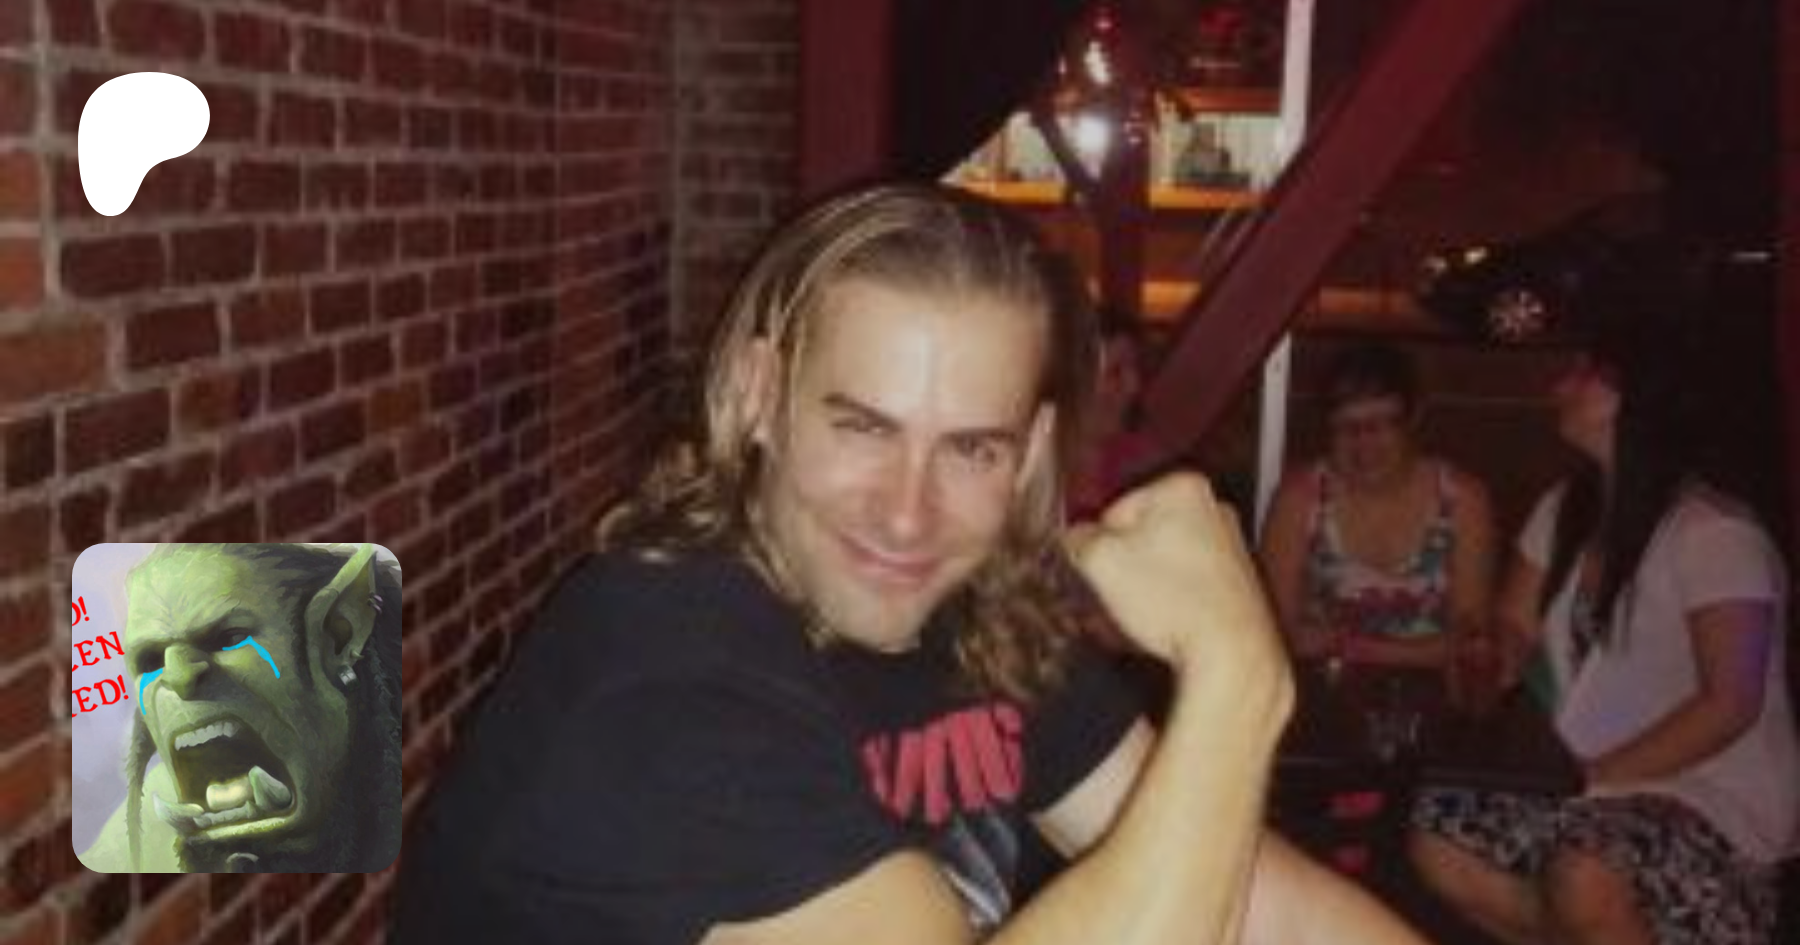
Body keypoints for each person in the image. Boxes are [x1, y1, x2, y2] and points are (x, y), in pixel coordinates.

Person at [389, 184, 1424, 944]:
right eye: (864, 427)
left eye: (971, 449)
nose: (907, 513)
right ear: (757, 395)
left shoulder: (976, 625)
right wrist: (1239, 680)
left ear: (1030, 454)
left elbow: (1263, 905)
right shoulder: (657, 674)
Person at [1408, 255, 1799, 945]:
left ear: (1631, 401)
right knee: (1436, 836)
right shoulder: (1566, 508)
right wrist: (1491, 649)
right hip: (1588, 783)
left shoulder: (1714, 533)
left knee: (1585, 871)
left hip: (1708, 798)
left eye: (1583, 373)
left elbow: (1730, 703)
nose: (1560, 386)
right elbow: (1512, 625)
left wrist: (1595, 776)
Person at [78, 543, 402, 873]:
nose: (177, 676)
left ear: (339, 634)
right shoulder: (145, 837)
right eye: (151, 660)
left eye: (228, 638)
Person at [1258, 340, 1497, 669]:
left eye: (1381, 424)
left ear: (1413, 419)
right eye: (1346, 427)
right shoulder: (1299, 498)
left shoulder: (1463, 500)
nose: (1364, 443)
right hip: (1320, 685)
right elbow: (1272, 633)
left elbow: (1469, 643)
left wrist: (1350, 647)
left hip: (1430, 693)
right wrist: (1420, 651)